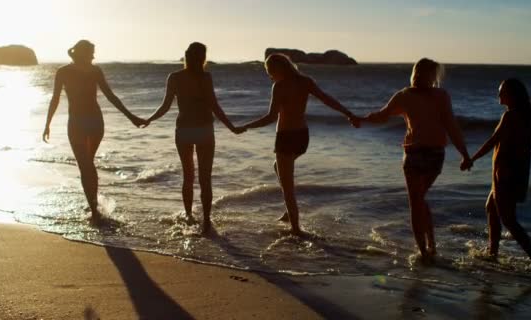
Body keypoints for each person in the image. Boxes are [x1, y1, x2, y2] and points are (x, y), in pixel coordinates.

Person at [355, 58, 470, 261]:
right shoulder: (406, 95)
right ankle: (425, 249)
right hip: (416, 154)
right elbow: (383, 115)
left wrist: (465, 154)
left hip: (432, 155)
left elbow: (451, 125)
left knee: (418, 200)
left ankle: (428, 248)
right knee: (417, 200)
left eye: (431, 75)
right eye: (426, 73)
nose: (428, 78)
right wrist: (360, 119)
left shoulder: (438, 96)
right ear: (418, 73)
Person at [238, 53, 359, 236]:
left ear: (279, 69)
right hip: (303, 136)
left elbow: (271, 117)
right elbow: (327, 99)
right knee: (278, 168)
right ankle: (290, 213)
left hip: (286, 137)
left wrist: (246, 126)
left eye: (270, 71)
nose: (270, 75)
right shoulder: (305, 81)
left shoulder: (279, 86)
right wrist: (348, 113)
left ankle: (296, 229)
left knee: (287, 186)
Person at [143, 42, 244, 234]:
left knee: (188, 176)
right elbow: (214, 106)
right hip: (205, 130)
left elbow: (165, 106)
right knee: (205, 178)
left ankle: (189, 217)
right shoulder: (206, 77)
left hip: (184, 131)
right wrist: (231, 127)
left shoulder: (175, 77)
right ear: (203, 58)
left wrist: (149, 119)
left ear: (186, 56)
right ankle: (206, 221)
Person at [43, 40, 146, 225]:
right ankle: (94, 208)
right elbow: (55, 99)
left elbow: (110, 96)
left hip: (85, 122)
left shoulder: (75, 71)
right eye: (91, 52)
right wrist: (47, 123)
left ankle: (94, 210)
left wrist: (131, 117)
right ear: (83, 53)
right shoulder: (69, 72)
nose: (93, 56)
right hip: (88, 122)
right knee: (88, 164)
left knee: (86, 165)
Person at [461, 79, 531, 274]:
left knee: (508, 219)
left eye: (502, 92)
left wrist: (471, 159)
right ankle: (493, 253)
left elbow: (493, 141)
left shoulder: (511, 116)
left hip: (506, 174)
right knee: (491, 209)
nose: (499, 96)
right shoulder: (522, 116)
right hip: (510, 173)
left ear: (512, 95)